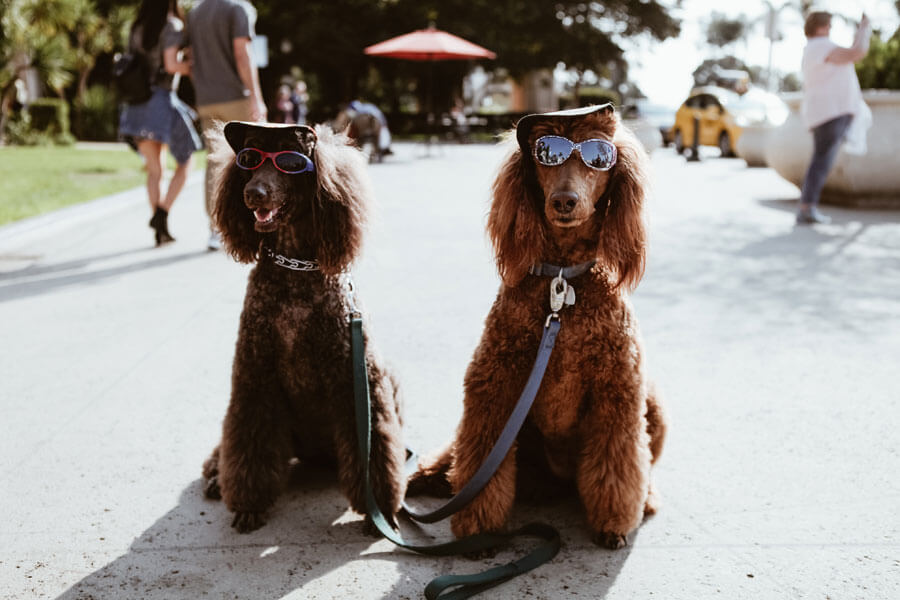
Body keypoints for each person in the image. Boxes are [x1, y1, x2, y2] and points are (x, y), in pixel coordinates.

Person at [118, 0, 202, 247]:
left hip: (136, 103)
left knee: (155, 170)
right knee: (186, 162)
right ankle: (162, 214)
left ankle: (160, 228)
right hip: (161, 101)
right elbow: (170, 65)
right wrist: (193, 67)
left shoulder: (138, 26)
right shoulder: (172, 25)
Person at [185, 0, 267, 250]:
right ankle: (255, 223)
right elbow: (242, 54)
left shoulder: (195, 12)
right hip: (236, 96)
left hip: (206, 100)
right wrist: (256, 97)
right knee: (253, 157)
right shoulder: (238, 8)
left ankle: (215, 229)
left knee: (215, 162)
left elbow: (189, 57)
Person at [797, 11, 872, 225]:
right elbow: (857, 52)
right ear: (820, 27)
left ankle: (807, 207)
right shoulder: (820, 46)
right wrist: (864, 29)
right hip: (830, 114)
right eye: (828, 25)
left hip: (829, 113)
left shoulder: (815, 47)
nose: (830, 29)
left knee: (820, 160)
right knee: (821, 161)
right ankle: (806, 208)